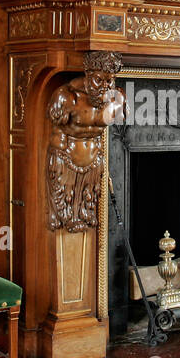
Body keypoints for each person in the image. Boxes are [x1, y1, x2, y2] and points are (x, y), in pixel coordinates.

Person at [46, 51, 125, 232]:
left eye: (109, 81)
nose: (105, 87)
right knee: (63, 215)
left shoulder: (117, 99)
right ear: (87, 76)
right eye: (99, 80)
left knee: (88, 214)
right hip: (65, 162)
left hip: (94, 163)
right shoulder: (66, 97)